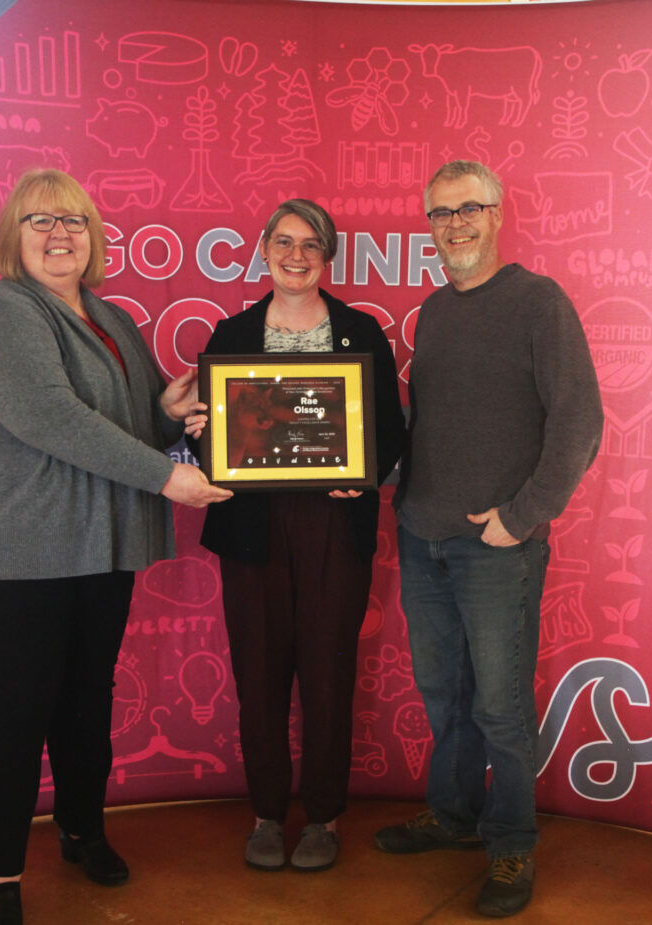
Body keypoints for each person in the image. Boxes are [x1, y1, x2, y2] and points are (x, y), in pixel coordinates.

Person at [0, 168, 231, 925]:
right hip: (19, 549)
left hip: (99, 545)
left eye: (73, 221)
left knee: (84, 700)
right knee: (14, 710)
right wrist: (170, 483)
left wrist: (168, 416)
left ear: (95, 238)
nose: (59, 234)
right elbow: (54, 420)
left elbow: (128, 428)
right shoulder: (5, 313)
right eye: (40, 221)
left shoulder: (108, 316)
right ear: (14, 236)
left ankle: (81, 830)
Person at [374, 162, 603, 917]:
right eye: (439, 213)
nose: (454, 224)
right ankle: (453, 814)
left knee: (500, 705)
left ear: (497, 213)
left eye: (468, 208)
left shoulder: (539, 303)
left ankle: (510, 843)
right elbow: (430, 424)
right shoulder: (433, 313)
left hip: (498, 546)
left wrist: (523, 514)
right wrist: (377, 475)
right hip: (422, 534)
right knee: (445, 694)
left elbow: (578, 423)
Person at [185, 199, 405, 873]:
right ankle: (265, 812)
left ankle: (325, 816)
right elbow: (206, 430)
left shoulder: (361, 333)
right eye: (285, 241)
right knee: (259, 673)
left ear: (328, 255)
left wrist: (363, 474)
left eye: (312, 244)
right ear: (264, 248)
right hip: (251, 526)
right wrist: (201, 436)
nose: (297, 254)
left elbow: (391, 431)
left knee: (329, 672)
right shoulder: (231, 333)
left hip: (335, 526)